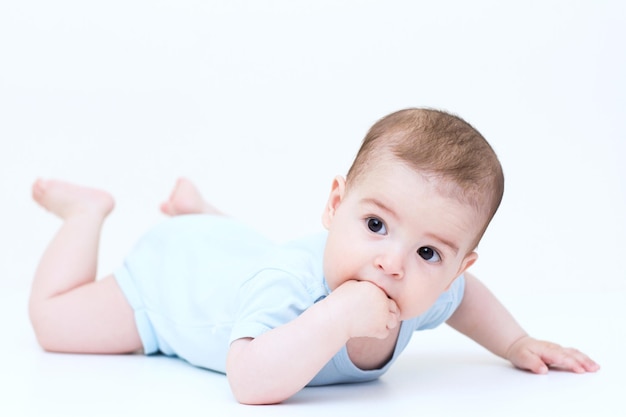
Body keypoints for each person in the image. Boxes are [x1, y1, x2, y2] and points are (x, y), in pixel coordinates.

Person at [28, 108, 599, 405]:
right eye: (375, 224)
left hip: (242, 256)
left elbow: (466, 299)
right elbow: (248, 381)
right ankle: (86, 214)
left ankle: (202, 211)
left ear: (457, 265)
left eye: (429, 252)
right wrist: (338, 318)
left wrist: (516, 342)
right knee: (54, 322)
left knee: (259, 256)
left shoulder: (425, 289)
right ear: (335, 203)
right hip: (173, 281)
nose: (392, 263)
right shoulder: (293, 290)